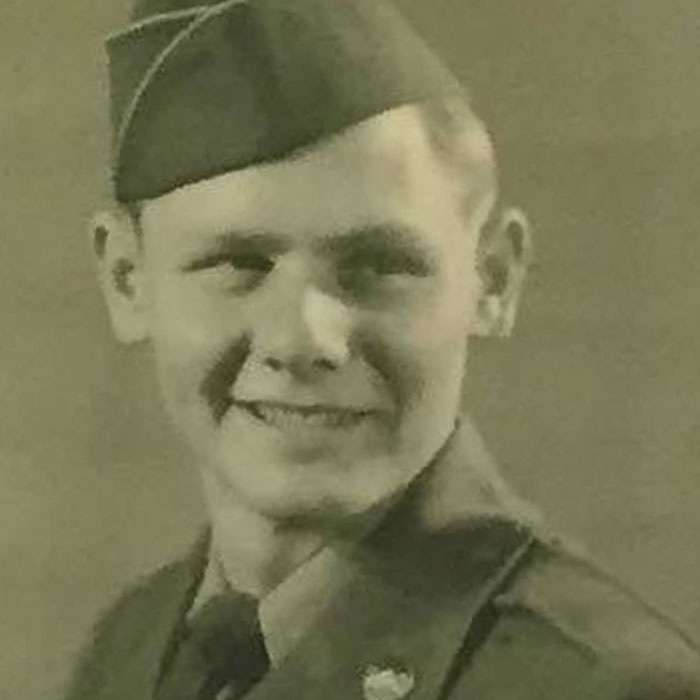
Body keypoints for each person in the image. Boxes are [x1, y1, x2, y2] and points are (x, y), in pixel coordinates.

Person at [65, 0, 700, 698]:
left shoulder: (613, 685)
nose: (302, 340)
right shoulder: (132, 649)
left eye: (377, 266)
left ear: (493, 279)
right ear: (127, 279)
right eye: (237, 264)